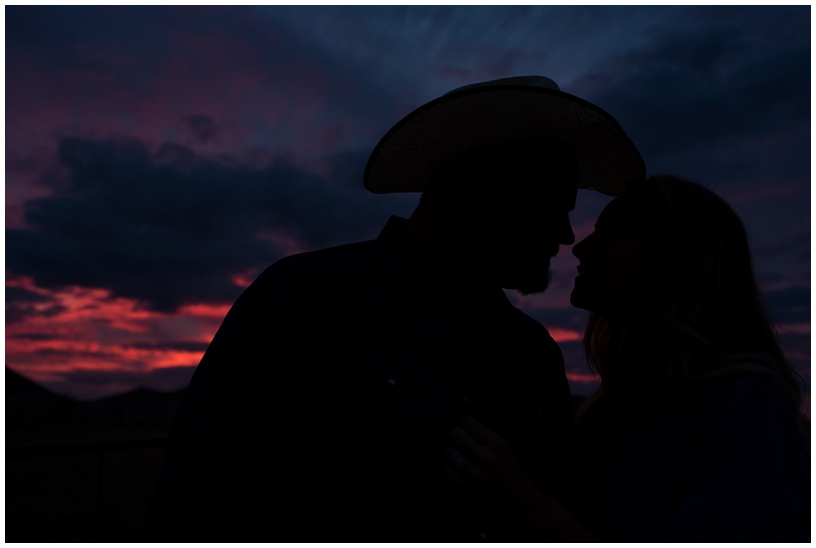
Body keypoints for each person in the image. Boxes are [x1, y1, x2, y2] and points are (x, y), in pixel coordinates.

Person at [143, 75, 645, 542]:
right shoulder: (304, 300)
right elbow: (194, 503)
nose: (564, 233)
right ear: (492, 181)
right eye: (557, 203)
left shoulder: (532, 354)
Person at [445, 174, 810, 542]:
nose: (581, 247)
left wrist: (523, 502)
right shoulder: (613, 412)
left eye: (612, 232)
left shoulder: (744, 406)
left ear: (674, 259)